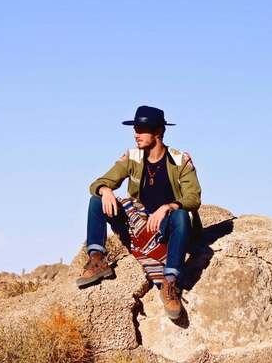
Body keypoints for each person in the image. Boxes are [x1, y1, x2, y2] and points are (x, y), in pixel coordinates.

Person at [76, 105, 202, 319]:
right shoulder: (133, 158)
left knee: (180, 214)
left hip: (170, 223)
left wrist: (168, 207)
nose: (136, 135)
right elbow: (98, 183)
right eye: (135, 129)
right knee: (96, 200)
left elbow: (193, 198)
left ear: (158, 132)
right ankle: (98, 259)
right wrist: (105, 189)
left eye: (141, 130)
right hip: (141, 222)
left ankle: (170, 283)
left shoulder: (180, 160)